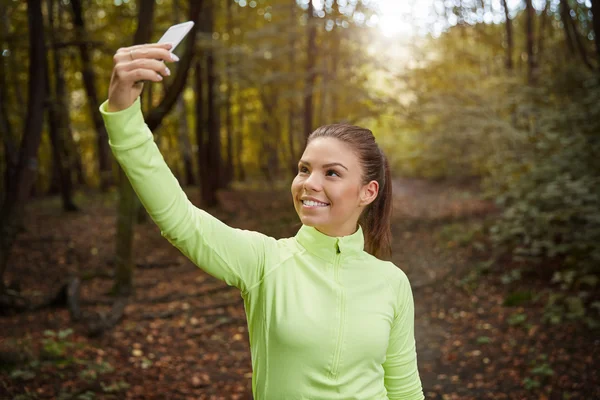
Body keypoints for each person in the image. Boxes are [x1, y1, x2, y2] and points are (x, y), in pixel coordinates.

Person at [100, 42, 424, 400]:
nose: (308, 183)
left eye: (331, 173)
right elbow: (180, 218)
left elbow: (405, 390)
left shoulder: (392, 283)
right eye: (304, 169)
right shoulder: (264, 261)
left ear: (368, 192)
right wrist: (124, 114)